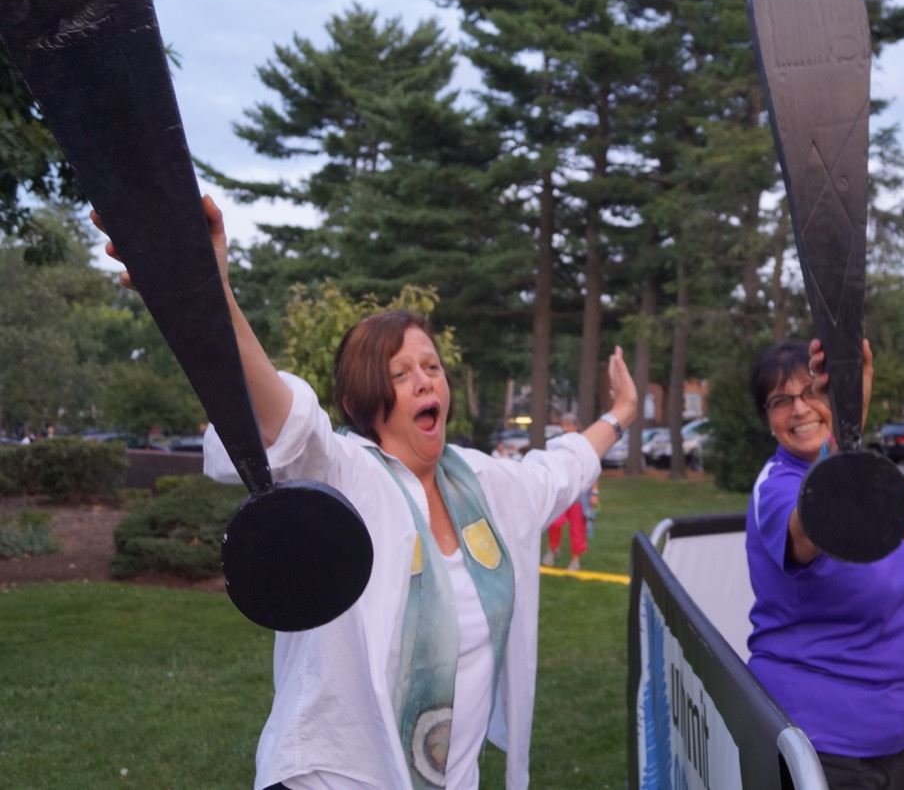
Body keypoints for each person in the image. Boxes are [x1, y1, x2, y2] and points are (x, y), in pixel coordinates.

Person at [93, 196, 639, 790]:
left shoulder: (486, 485)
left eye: (431, 366)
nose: (425, 379)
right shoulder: (344, 474)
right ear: (360, 403)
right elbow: (283, 424)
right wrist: (213, 293)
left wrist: (622, 413)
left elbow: (560, 469)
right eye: (400, 374)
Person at [744, 338, 904, 790]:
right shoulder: (777, 488)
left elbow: (876, 545)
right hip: (821, 740)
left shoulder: (846, 472)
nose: (801, 409)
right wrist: (849, 417)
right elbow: (810, 533)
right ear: (768, 420)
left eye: (812, 393)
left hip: (888, 730)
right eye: (781, 401)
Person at [542, 413, 592, 571]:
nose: (566, 428)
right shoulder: (557, 443)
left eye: (569, 425)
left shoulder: (584, 444)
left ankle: (575, 560)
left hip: (578, 493)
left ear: (576, 426)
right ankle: (553, 549)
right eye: (564, 425)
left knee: (577, 527)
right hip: (561, 491)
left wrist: (595, 493)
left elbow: (592, 467)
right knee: (554, 523)